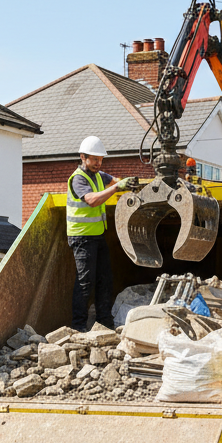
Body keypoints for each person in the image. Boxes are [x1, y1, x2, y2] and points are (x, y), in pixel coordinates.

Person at [67, 135, 137, 331]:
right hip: (81, 237)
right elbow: (92, 200)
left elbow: (115, 180)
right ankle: (78, 326)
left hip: (97, 236)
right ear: (83, 157)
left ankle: (104, 323)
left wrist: (127, 184)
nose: (98, 163)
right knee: (85, 282)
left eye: (100, 159)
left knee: (104, 279)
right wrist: (117, 187)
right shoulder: (78, 178)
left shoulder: (98, 175)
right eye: (94, 159)